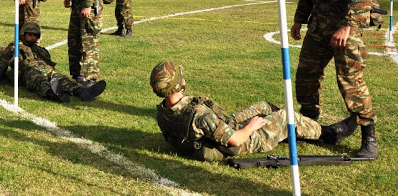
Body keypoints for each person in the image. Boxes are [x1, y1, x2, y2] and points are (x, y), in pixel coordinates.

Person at [291, 0, 379, 159]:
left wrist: (347, 26)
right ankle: (309, 126)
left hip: (345, 29)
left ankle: (369, 140)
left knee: (351, 82)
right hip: (318, 27)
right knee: (306, 75)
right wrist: (299, 21)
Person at [150, 61, 358, 162]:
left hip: (214, 133)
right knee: (286, 116)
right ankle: (329, 135)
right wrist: (251, 127)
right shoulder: (198, 114)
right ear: (178, 84)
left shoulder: (163, 111)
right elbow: (236, 140)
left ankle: (294, 131)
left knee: (264, 106)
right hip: (237, 143)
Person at [0, 22, 107, 103]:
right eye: (30, 35)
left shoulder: (40, 50)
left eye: (35, 36)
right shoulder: (15, 46)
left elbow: (49, 63)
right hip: (28, 71)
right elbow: (3, 62)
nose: (32, 38)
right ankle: (53, 94)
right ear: (23, 34)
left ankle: (81, 92)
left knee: (61, 77)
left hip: (46, 68)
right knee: (40, 81)